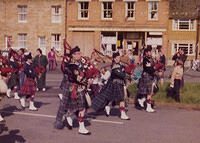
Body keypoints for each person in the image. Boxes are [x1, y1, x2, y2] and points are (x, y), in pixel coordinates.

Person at [54, 46, 91, 135]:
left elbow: (83, 73)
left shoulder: (78, 64)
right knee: (81, 108)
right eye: (78, 54)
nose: (80, 55)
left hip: (79, 88)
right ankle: (81, 128)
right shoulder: (72, 66)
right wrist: (87, 82)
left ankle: (68, 115)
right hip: (76, 89)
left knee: (78, 107)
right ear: (73, 55)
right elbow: (77, 78)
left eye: (80, 53)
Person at [92, 52, 130, 120]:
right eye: (117, 58)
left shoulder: (119, 65)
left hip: (120, 83)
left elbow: (123, 72)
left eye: (119, 57)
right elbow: (119, 74)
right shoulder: (115, 66)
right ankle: (122, 114)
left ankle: (107, 106)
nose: (119, 59)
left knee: (113, 98)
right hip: (116, 84)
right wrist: (128, 76)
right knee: (121, 99)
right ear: (114, 59)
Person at [136, 47, 157, 113]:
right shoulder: (145, 59)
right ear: (146, 53)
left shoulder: (150, 59)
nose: (150, 53)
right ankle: (148, 107)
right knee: (149, 92)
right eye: (149, 51)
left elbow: (152, 66)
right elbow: (148, 69)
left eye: (151, 51)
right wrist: (154, 69)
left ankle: (143, 100)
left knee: (150, 92)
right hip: (147, 76)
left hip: (150, 76)